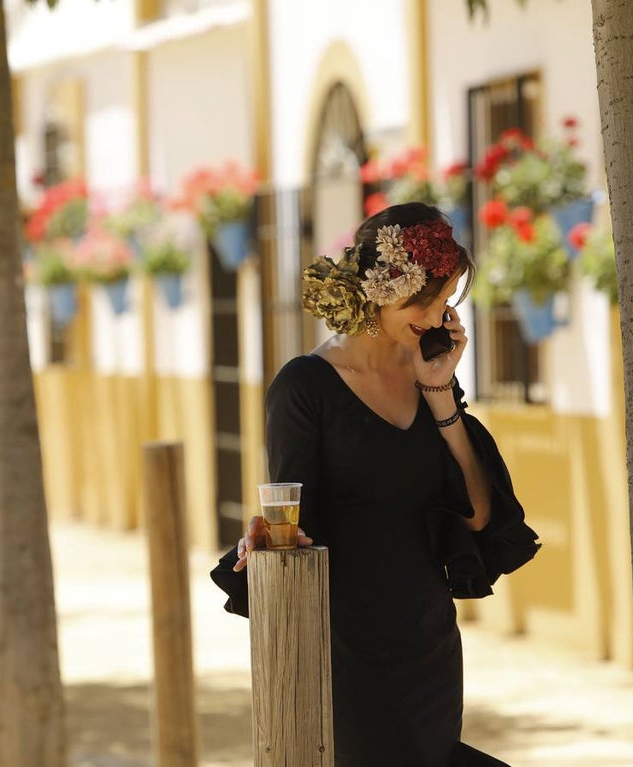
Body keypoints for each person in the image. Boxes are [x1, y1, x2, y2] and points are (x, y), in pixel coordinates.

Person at [210, 202, 540, 767]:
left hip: (427, 640)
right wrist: (262, 538)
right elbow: (292, 517)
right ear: (384, 287)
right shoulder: (304, 386)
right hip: (343, 644)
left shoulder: (427, 377)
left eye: (447, 300)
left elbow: (479, 516)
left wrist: (441, 396)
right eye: (429, 298)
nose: (440, 315)